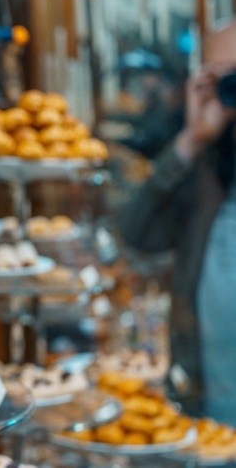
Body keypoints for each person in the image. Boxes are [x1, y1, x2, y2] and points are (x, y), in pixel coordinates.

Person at [119, 21, 236, 421]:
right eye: (222, 77)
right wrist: (191, 139)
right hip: (208, 410)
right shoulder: (204, 166)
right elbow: (137, 235)